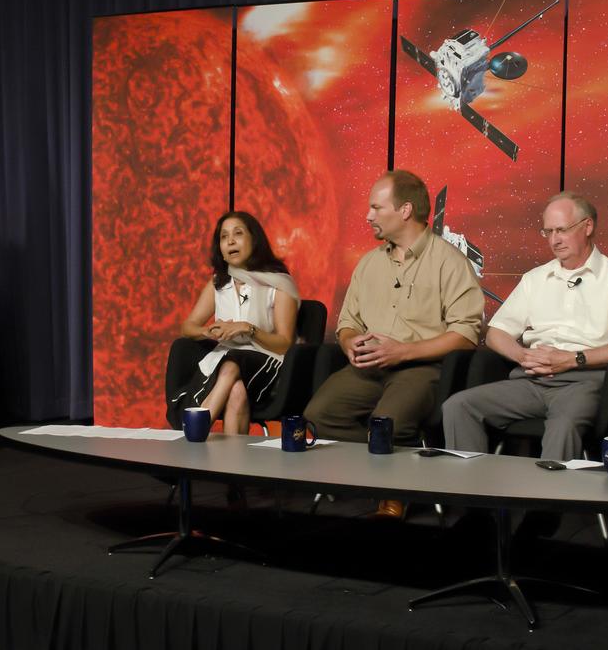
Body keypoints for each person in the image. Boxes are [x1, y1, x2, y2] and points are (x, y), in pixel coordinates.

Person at [304, 170, 483, 518]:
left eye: (375, 207)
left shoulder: (450, 262)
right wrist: (350, 343)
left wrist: (404, 351)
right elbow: (347, 323)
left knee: (387, 422)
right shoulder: (369, 263)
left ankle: (393, 492)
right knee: (317, 418)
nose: (368, 215)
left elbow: (466, 334)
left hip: (421, 368)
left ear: (404, 211)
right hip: (368, 366)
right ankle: (407, 468)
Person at [442, 193, 608, 462]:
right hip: (531, 380)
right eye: (548, 231)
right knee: (458, 406)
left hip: (585, 382)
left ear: (587, 227)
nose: (554, 240)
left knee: (563, 426)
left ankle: (547, 504)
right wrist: (523, 356)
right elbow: (496, 333)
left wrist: (572, 359)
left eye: (562, 230)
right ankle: (471, 501)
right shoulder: (535, 279)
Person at [172, 211, 300, 436]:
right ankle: (232, 466)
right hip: (226, 363)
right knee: (236, 390)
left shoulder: (279, 283)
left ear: (254, 240)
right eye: (224, 237)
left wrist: (247, 329)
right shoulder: (218, 283)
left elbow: (284, 344)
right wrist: (208, 332)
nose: (230, 241)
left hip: (269, 364)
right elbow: (188, 327)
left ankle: (195, 431)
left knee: (232, 365)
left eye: (238, 234)